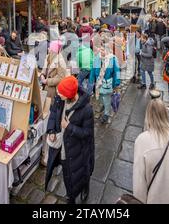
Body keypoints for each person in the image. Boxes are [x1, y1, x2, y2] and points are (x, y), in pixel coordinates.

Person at [45, 76, 94, 204]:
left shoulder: (86, 109)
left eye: (61, 92)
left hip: (78, 150)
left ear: (69, 95)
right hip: (63, 148)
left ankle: (85, 187)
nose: (58, 93)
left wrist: (69, 127)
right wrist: (51, 131)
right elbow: (53, 114)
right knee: (67, 174)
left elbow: (88, 133)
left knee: (81, 173)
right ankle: (70, 196)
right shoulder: (59, 99)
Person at [89, 46, 120, 124]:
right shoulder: (97, 58)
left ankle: (106, 114)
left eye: (103, 50)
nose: (101, 51)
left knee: (107, 99)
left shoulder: (113, 59)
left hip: (107, 83)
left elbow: (117, 71)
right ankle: (102, 106)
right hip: (98, 82)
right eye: (101, 49)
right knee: (99, 97)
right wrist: (91, 79)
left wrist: (117, 82)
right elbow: (93, 69)